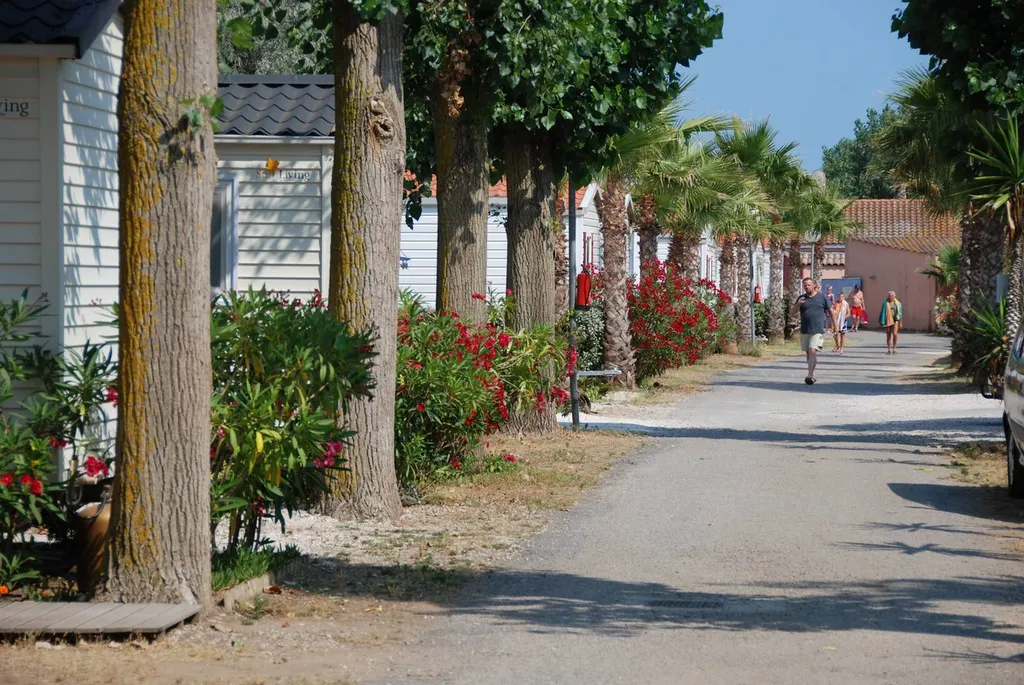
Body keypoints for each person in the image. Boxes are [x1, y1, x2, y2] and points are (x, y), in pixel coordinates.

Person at [796, 277, 836, 385]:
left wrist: (835, 328)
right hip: (805, 329)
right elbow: (792, 312)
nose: (806, 287)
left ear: (814, 285)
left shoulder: (822, 297)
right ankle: (812, 374)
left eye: (809, 285)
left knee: (812, 350)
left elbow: (831, 312)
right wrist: (798, 304)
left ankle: (809, 375)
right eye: (805, 285)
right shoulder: (801, 298)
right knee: (808, 353)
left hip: (817, 330)